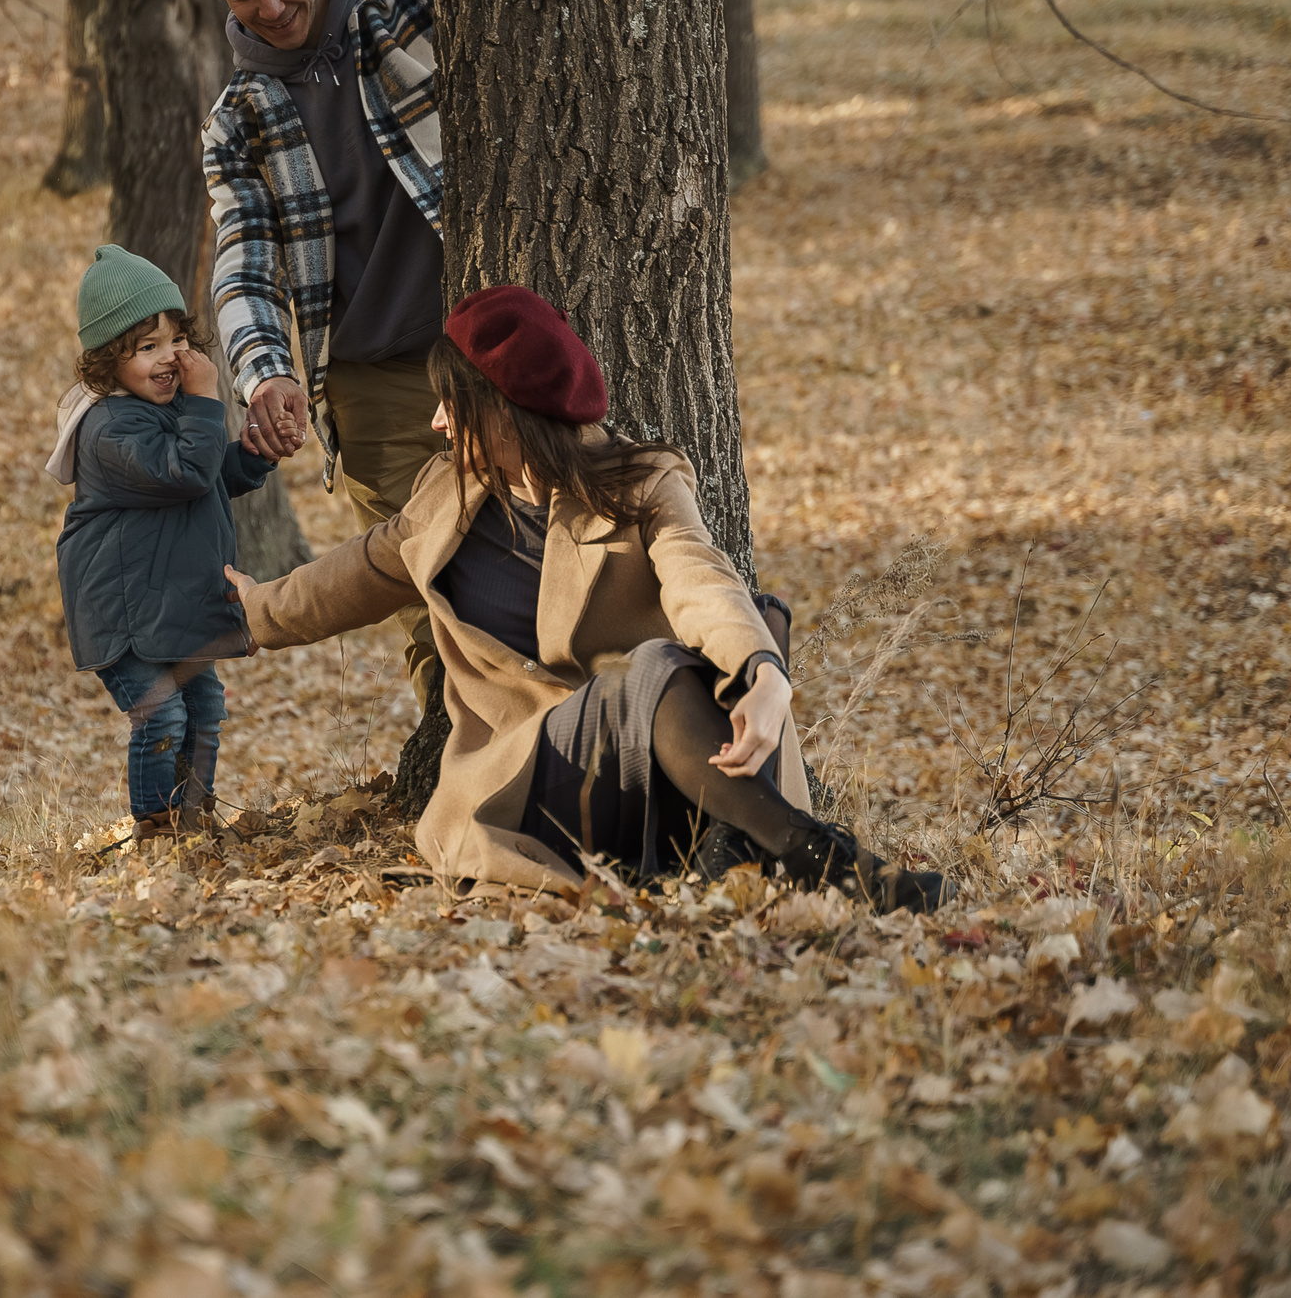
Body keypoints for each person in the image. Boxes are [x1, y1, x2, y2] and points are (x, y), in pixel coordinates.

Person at [224, 286, 948, 912]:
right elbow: (348, 577)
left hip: (650, 765)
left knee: (716, 637)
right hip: (532, 779)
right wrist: (257, 612)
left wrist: (764, 672)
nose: (438, 423)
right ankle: (817, 854)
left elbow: (703, 577)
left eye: (454, 404)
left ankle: (740, 844)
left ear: (505, 413)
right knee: (655, 670)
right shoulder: (443, 499)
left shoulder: (642, 483)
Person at [192, 0, 448, 714]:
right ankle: (473, 781)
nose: (267, 6)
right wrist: (263, 371)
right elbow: (243, 256)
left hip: (486, 352)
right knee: (433, 602)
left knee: (544, 569)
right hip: (373, 383)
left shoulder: (400, 7)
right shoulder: (239, 120)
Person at [49, 246, 274, 840]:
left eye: (174, 340)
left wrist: (247, 459)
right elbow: (182, 474)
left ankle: (194, 822)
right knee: (162, 714)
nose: (168, 359)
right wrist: (205, 400)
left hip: (167, 609)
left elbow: (201, 480)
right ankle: (157, 829)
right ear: (106, 362)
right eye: (145, 348)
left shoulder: (163, 412)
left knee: (204, 712)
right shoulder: (108, 426)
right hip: (123, 613)